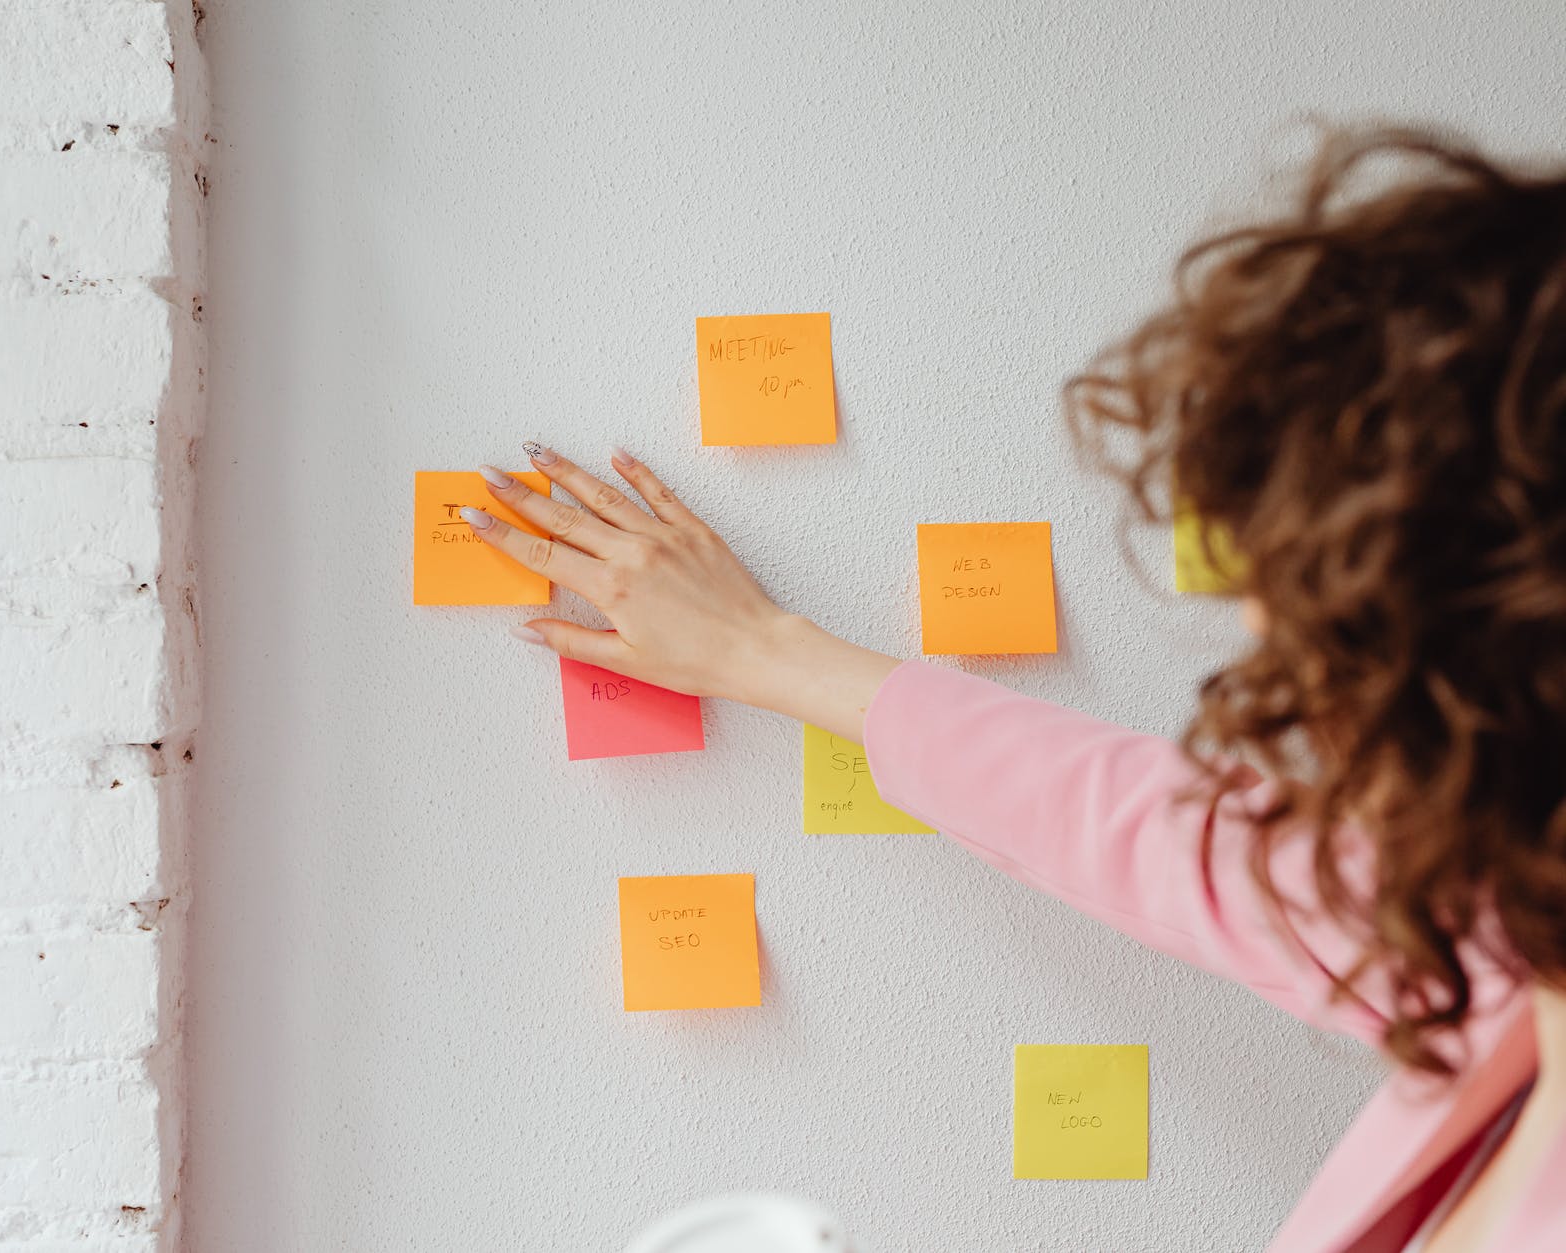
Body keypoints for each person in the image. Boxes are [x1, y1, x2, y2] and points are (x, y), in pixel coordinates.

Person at [459, 127, 1566, 1251]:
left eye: (1327, 659)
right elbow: (1161, 833)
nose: (1279, 705)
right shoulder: (1499, 939)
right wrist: (758, 649)